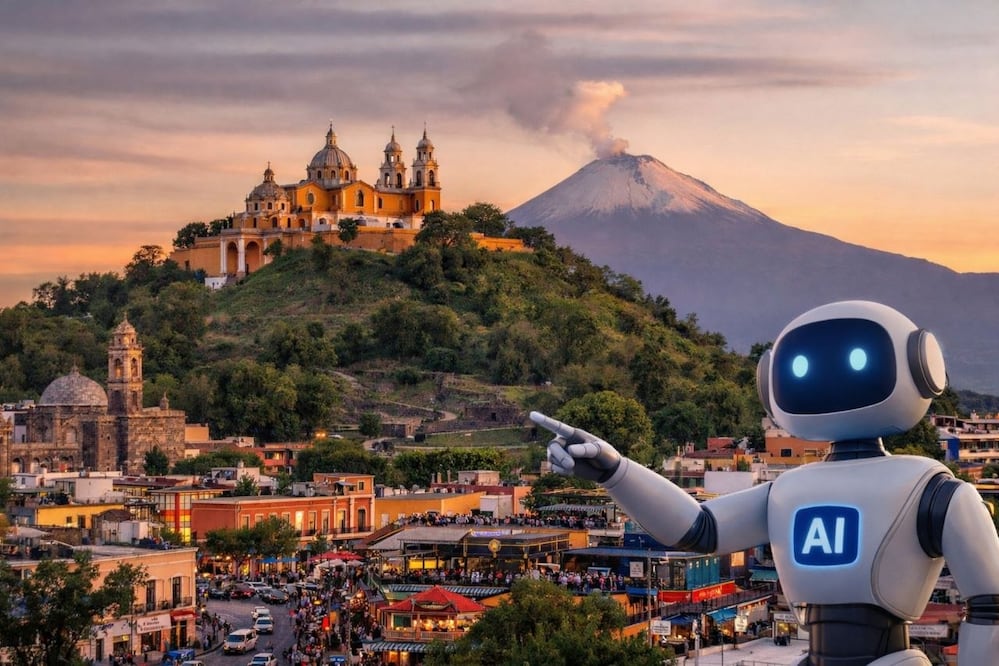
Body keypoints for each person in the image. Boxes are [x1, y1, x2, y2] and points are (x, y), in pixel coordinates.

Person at [533, 301, 999, 665]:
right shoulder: (792, 490)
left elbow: (990, 603)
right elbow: (699, 529)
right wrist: (618, 472)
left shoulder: (931, 488)